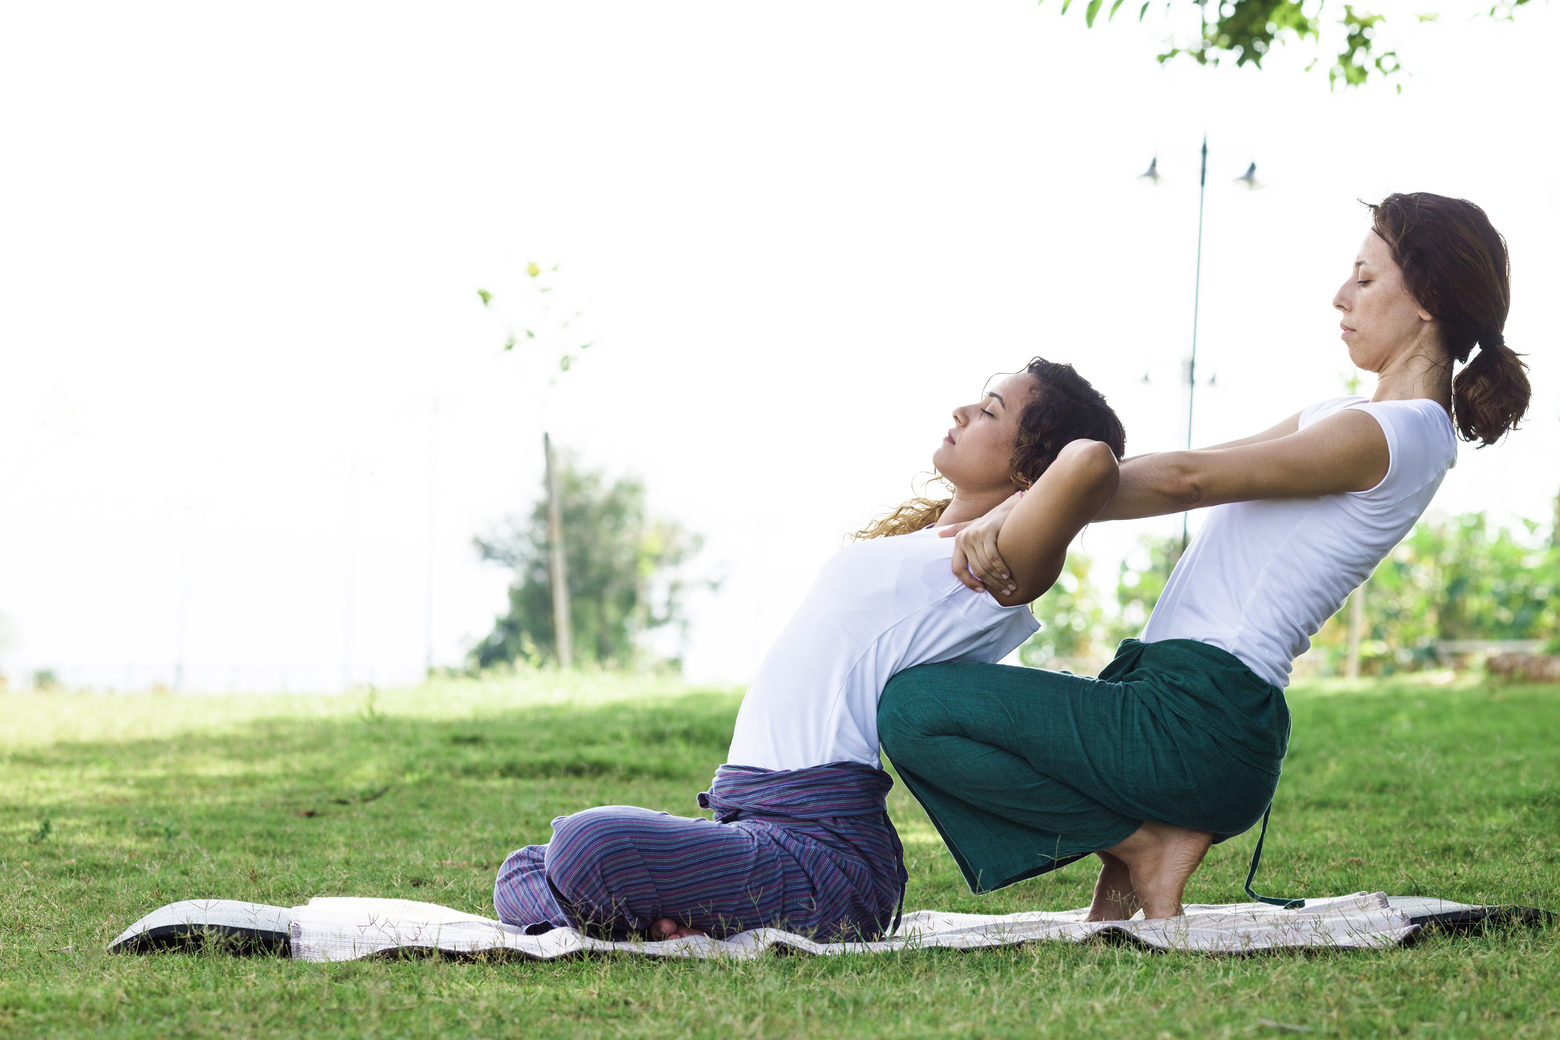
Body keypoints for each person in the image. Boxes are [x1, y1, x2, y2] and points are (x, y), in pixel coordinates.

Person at [877, 192, 1533, 921]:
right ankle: (1137, 852)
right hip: (1178, 709)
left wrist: (1023, 506)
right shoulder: (1353, 416)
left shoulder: (1400, 433)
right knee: (927, 705)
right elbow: (1185, 463)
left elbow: (1192, 480)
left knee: (915, 707)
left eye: (1366, 279)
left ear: (1429, 300)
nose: (1340, 295)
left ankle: (1142, 844)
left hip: (1198, 723)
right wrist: (1046, 494)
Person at [493, 358, 1127, 941]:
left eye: (990, 411)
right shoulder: (937, 541)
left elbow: (1091, 461)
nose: (962, 412)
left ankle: (634, 917)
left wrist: (1026, 503)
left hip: (824, 858)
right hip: (751, 824)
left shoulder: (997, 568)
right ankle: (658, 926)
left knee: (585, 845)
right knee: (524, 865)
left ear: (1029, 465)